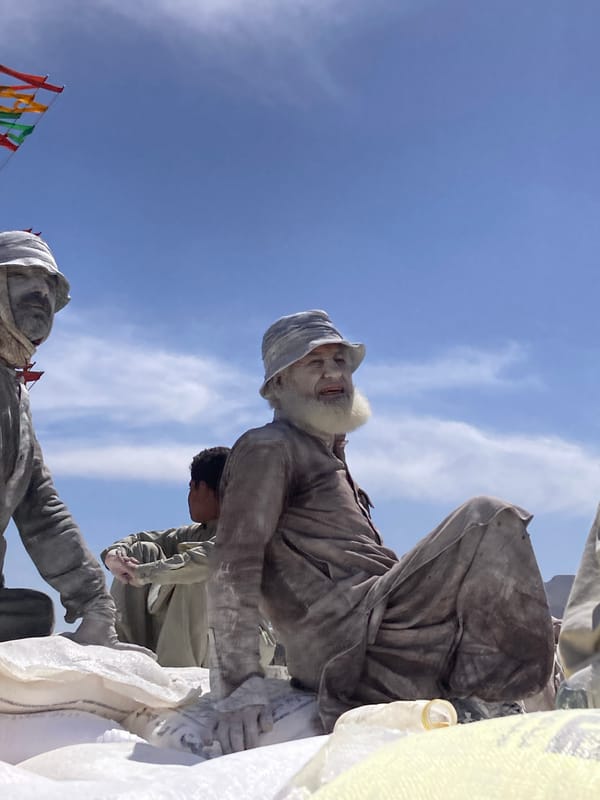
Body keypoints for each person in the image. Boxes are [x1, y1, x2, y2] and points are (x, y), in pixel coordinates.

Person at [207, 309, 555, 753]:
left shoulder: (329, 456)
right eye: (315, 364)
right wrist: (239, 682)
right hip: (345, 637)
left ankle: (479, 702)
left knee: (519, 607)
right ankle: (494, 701)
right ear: (278, 384)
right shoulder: (269, 447)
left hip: (376, 616)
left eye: (340, 362)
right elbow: (234, 560)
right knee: (488, 518)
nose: (334, 373)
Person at [0, 230, 131, 648]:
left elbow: (43, 511)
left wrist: (95, 604)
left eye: (48, 286)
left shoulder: (13, 394)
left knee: (33, 613)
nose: (39, 292)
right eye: (22, 276)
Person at [101, 447, 229, 667]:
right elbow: (139, 538)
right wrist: (115, 556)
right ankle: (126, 660)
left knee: (193, 575)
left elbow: (204, 560)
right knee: (141, 551)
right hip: (201, 641)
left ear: (205, 488)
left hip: (237, 644)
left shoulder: (247, 532)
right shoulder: (198, 532)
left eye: (192, 488)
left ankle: (179, 673)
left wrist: (142, 574)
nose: (189, 497)